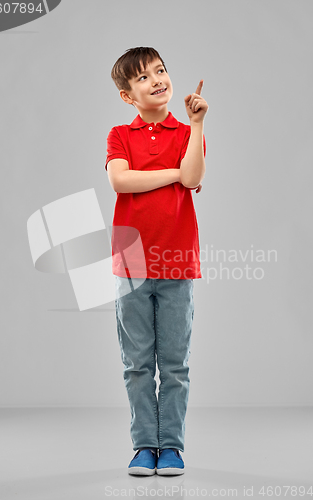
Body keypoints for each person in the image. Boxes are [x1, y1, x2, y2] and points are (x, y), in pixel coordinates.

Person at [105, 47, 208, 476]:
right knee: (137, 364)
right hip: (130, 265)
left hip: (178, 262)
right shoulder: (119, 134)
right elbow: (119, 179)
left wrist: (198, 123)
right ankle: (144, 446)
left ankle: (173, 449)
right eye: (144, 77)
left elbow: (195, 176)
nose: (157, 80)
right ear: (129, 95)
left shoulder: (186, 134)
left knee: (175, 364)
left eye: (160, 71)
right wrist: (174, 175)